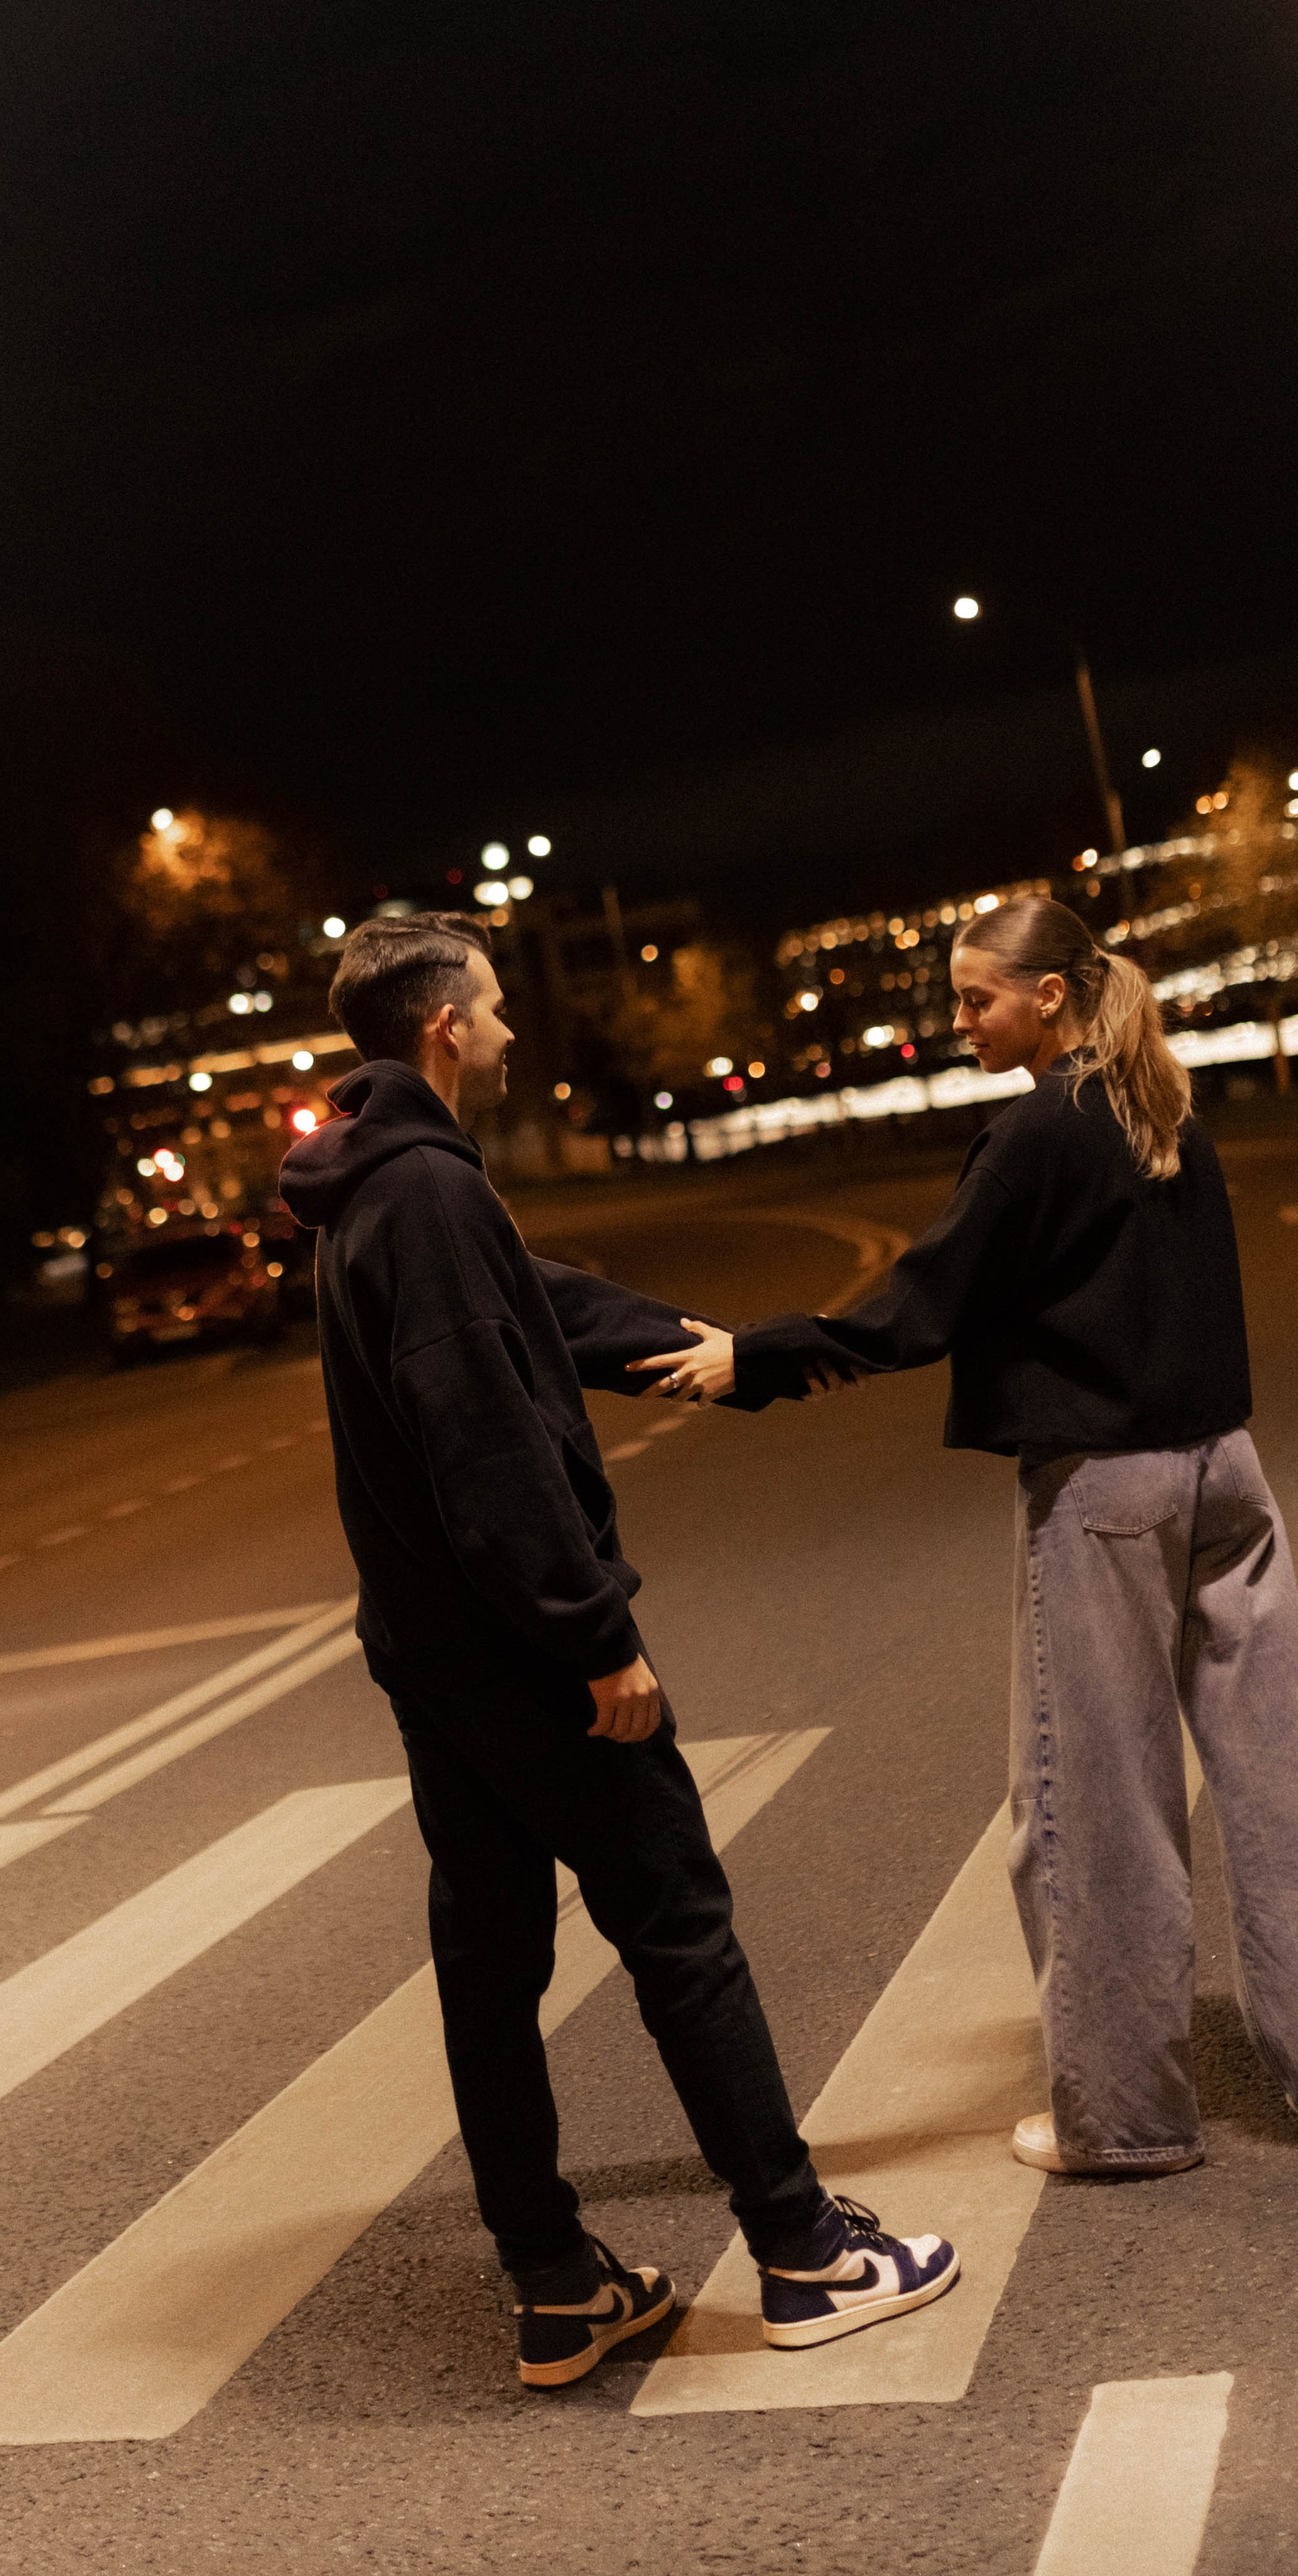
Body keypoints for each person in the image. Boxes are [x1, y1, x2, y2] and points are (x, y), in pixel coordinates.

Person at [278, 912, 957, 2389]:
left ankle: (555, 2283)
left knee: (489, 1960)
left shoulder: (378, 1189)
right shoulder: (427, 1196)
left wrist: (718, 1354)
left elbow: (541, 1312)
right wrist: (594, 1637)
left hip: (435, 1657)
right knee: (678, 1925)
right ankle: (802, 2250)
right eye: (494, 1006)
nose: (510, 1028)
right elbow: (486, 1438)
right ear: (444, 1025)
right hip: (524, 1657)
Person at [633, 896, 1298, 2179]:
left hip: (1108, 1493)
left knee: (1093, 1808)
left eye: (975, 997)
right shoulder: (1161, 1104)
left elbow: (919, 1304)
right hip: (1227, 1473)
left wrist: (752, 1357)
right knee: (1289, 1780)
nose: (959, 1020)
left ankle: (1129, 2120)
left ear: (1049, 995)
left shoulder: (1038, 1129)